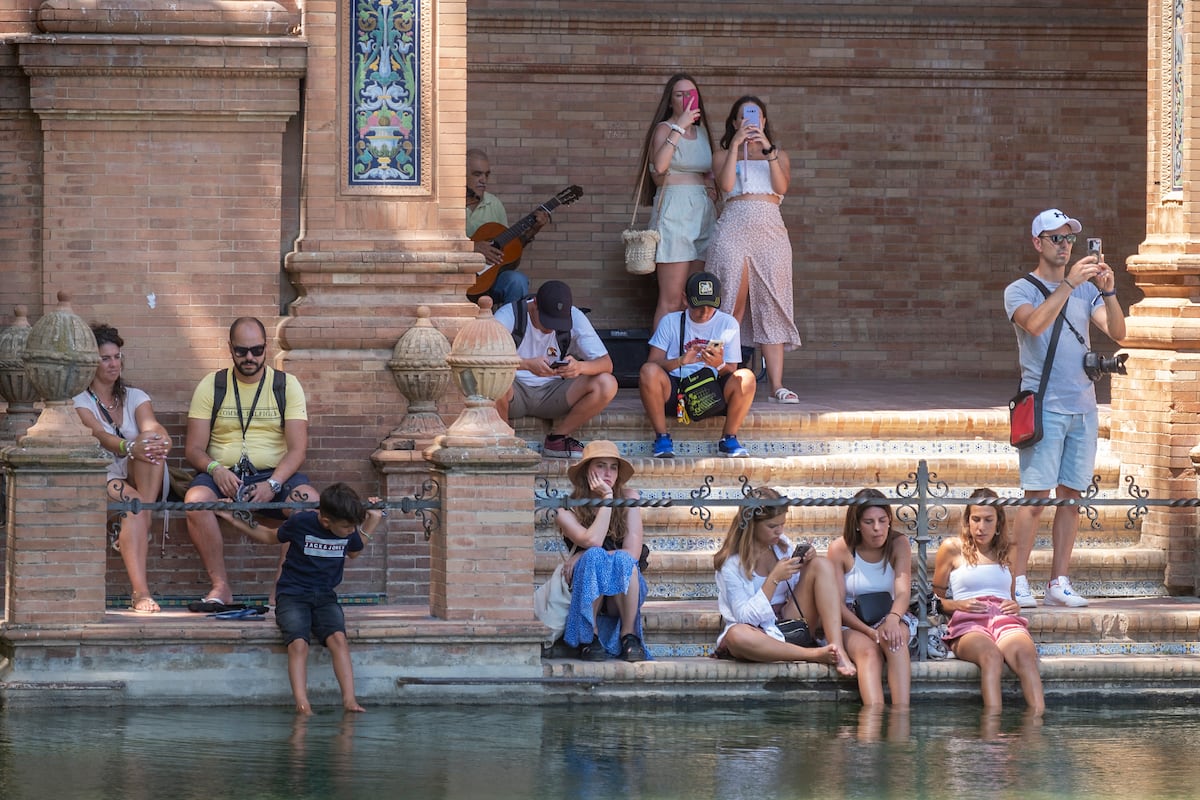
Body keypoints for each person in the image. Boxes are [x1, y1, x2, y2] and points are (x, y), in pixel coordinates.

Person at [1004, 208, 1127, 608]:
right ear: (1037, 243)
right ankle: (1017, 579)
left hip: (1083, 405)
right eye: (1056, 238)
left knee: (1071, 496)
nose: (1064, 245)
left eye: (1069, 239)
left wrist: (1107, 291)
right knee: (1036, 495)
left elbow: (1118, 332)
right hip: (1043, 405)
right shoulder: (1019, 289)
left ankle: (1059, 580)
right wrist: (1069, 284)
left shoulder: (1087, 290)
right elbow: (1035, 325)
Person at [183, 317, 318, 607]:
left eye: (256, 350)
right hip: (223, 472)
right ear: (230, 348)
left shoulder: (285, 385)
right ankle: (220, 587)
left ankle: (281, 592)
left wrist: (273, 483)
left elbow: (297, 450)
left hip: (274, 473)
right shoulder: (212, 384)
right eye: (242, 351)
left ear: (266, 348)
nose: (249, 358)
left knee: (307, 503)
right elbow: (193, 449)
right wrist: (215, 470)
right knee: (196, 500)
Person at [241, 482, 383, 714]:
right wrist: (234, 517)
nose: (350, 531)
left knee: (338, 639)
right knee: (299, 643)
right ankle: (303, 704)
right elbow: (269, 537)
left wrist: (373, 520)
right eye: (347, 527)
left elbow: (354, 551)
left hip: (325, 596)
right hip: (292, 595)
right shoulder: (301, 522)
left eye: (352, 527)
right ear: (326, 521)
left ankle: (349, 701)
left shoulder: (347, 529)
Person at [706, 95, 802, 404]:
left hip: (770, 232)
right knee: (730, 303)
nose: (750, 122)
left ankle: (777, 385)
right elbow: (724, 184)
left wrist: (768, 150)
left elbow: (782, 187)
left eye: (756, 117)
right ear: (734, 122)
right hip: (733, 228)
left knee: (771, 305)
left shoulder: (779, 154)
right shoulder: (722, 154)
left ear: (763, 121)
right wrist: (736, 145)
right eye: (744, 117)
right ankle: (719, 375)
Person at [73, 323, 172, 614]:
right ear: (91, 362)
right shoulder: (79, 401)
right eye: (106, 358)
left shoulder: (134, 396)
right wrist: (129, 447)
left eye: (117, 356)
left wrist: (161, 439)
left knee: (151, 443)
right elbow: (100, 437)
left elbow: (152, 425)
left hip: (142, 478)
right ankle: (141, 593)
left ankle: (145, 518)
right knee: (135, 506)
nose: (114, 363)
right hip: (102, 474)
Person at [933, 489, 1045, 715]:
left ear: (999, 521)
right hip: (968, 622)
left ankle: (1036, 732)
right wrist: (957, 605)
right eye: (975, 519)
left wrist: (1015, 605)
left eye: (988, 520)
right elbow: (935, 601)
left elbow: (1010, 596)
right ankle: (992, 736)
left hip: (1004, 619)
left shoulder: (1009, 550)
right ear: (967, 520)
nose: (980, 527)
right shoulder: (952, 548)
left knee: (1025, 656)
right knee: (991, 656)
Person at [712, 486, 848, 671]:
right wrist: (773, 579)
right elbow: (744, 618)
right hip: (756, 632)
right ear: (752, 525)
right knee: (736, 635)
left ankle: (837, 649)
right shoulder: (731, 564)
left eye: (782, 524)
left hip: (789, 622)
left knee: (821, 564)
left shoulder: (780, 546)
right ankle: (814, 654)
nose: (779, 531)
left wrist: (807, 563)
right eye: (772, 526)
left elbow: (799, 588)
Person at [493, 280, 618, 459]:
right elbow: (485, 358)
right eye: (546, 320)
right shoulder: (508, 315)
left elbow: (606, 364)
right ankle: (503, 441)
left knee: (607, 383)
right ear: (534, 303)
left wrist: (579, 367)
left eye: (557, 323)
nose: (550, 327)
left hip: (553, 393)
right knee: (495, 377)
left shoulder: (575, 316)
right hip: (514, 391)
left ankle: (557, 439)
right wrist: (527, 364)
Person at [638, 271, 756, 458]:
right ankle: (662, 437)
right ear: (685, 300)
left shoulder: (728, 323)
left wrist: (718, 364)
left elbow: (731, 370)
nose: (705, 311)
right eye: (699, 306)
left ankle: (729, 438)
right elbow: (652, 364)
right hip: (676, 390)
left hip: (712, 389)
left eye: (711, 306)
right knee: (648, 372)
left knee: (746, 377)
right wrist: (680, 361)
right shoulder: (670, 321)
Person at [636, 73, 719, 330]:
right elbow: (659, 167)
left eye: (690, 93)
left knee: (696, 296)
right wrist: (679, 126)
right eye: (679, 94)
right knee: (671, 299)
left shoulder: (704, 132)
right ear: (670, 101)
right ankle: (659, 360)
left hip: (703, 212)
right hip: (675, 210)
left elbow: (708, 169)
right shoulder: (664, 129)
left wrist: (711, 186)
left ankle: (690, 356)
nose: (685, 98)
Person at [554, 440, 649, 662]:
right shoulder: (566, 508)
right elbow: (593, 540)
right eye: (600, 465)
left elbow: (632, 553)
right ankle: (590, 636)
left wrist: (581, 555)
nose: (607, 473)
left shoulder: (628, 497)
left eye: (613, 467)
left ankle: (629, 636)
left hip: (623, 589)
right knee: (594, 555)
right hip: (586, 588)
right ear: (587, 470)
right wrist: (607, 499)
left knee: (621, 560)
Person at [827, 488, 912, 706]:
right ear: (856, 523)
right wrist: (868, 631)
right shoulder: (840, 549)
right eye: (869, 522)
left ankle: (901, 720)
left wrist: (893, 619)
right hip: (851, 622)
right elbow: (836, 605)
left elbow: (903, 592)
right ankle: (871, 727)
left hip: (889, 614)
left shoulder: (899, 543)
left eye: (883, 520)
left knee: (895, 640)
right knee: (868, 652)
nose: (877, 529)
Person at [466, 148, 550, 306]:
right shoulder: (447, 205)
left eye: (487, 174)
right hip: (457, 276)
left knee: (517, 280)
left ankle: (511, 328)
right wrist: (472, 247)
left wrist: (532, 231)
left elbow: (507, 251)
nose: (483, 180)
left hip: (489, 278)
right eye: (477, 174)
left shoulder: (495, 204)